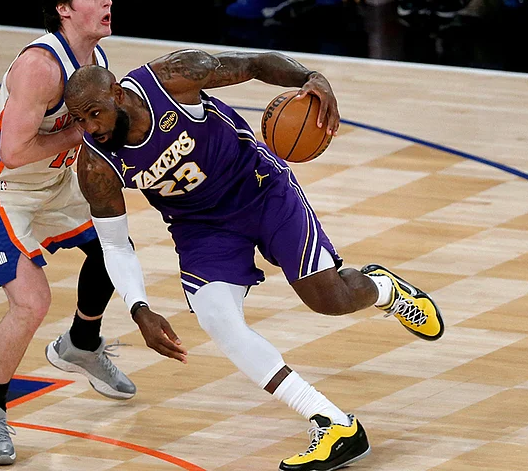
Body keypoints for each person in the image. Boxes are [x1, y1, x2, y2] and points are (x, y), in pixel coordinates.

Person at [63, 50, 445, 470]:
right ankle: (333, 423)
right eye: (79, 120)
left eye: (94, 114)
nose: (89, 128)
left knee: (328, 299)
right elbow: (115, 245)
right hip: (202, 228)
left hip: (261, 189)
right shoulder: (96, 164)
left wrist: (310, 77)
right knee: (216, 318)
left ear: (117, 93)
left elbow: (257, 64)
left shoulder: (172, 79)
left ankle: (385, 289)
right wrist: (139, 307)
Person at [0, 0, 136, 465]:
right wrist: (84, 130)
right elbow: (12, 151)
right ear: (63, 9)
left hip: (52, 180)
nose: (107, 2)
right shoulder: (40, 66)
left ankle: (81, 342)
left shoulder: (95, 57)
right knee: (31, 301)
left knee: (115, 247)